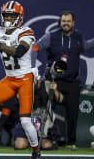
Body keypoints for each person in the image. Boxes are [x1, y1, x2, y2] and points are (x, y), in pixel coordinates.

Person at [0, 1, 40, 159]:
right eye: (7, 15)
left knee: (25, 121)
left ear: (19, 17)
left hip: (25, 79)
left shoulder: (26, 31)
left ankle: (36, 151)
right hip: (10, 79)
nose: (9, 18)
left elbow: (18, 51)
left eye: (13, 15)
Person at [33, 10, 94, 151]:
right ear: (60, 22)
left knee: (73, 113)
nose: (66, 23)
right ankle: (41, 139)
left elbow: (85, 47)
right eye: (63, 21)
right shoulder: (51, 36)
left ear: (73, 23)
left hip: (72, 82)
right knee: (45, 110)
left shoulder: (78, 36)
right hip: (53, 81)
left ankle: (71, 142)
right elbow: (35, 47)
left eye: (68, 21)